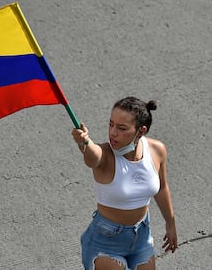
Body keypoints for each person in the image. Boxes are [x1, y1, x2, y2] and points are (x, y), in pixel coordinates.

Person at [71, 96, 177, 270]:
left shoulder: (157, 150)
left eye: (121, 128)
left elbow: (162, 188)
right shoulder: (105, 155)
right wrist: (84, 142)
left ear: (141, 131)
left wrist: (170, 224)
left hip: (141, 238)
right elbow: (92, 157)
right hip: (105, 242)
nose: (113, 132)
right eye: (111, 124)